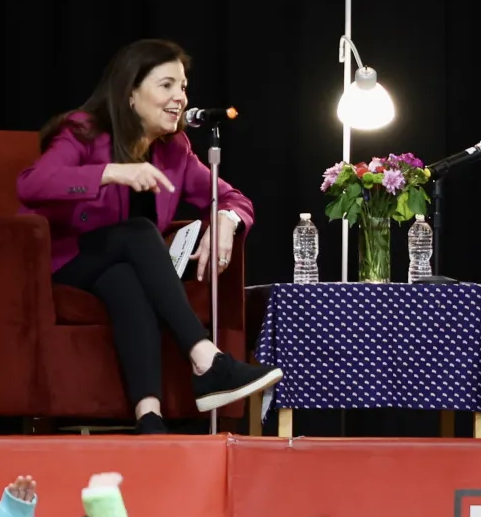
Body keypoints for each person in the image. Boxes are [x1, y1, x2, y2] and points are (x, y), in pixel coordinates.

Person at [15, 38, 281, 431]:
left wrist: (226, 219)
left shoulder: (174, 150)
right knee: (137, 233)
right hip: (65, 260)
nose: (181, 98)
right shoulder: (84, 131)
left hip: (115, 264)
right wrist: (112, 172)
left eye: (184, 86)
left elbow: (232, 197)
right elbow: (32, 185)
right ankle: (206, 359)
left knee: (126, 281)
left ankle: (150, 419)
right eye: (167, 85)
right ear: (130, 94)